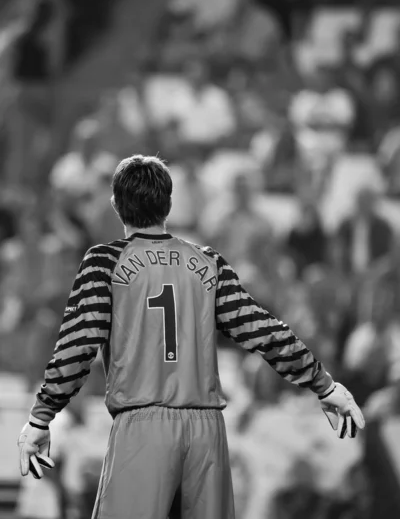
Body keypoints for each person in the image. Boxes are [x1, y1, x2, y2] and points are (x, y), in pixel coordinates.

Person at [17, 155, 365, 519]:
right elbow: (263, 329)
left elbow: (77, 347)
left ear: (116, 206)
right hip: (207, 433)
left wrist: (41, 418)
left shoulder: (104, 262)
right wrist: (324, 385)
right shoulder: (209, 262)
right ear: (168, 204)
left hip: (142, 425)